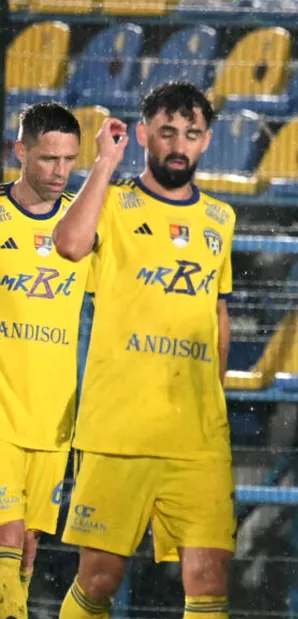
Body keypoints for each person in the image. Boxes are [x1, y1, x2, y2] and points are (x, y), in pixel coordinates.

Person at [52, 81, 236, 619]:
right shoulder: (111, 203)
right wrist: (105, 165)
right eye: (167, 132)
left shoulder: (221, 219)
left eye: (192, 134)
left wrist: (213, 402)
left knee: (209, 577)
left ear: (207, 141)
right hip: (119, 430)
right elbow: (68, 244)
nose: (179, 145)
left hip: (196, 437)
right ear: (142, 135)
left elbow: (218, 314)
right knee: (99, 580)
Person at [0, 101, 85, 619]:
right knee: (6, 534)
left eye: (69, 159)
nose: (60, 171)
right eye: (49, 158)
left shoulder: (82, 228)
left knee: (28, 546)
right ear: (21, 152)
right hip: (1, 414)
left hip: (53, 418)